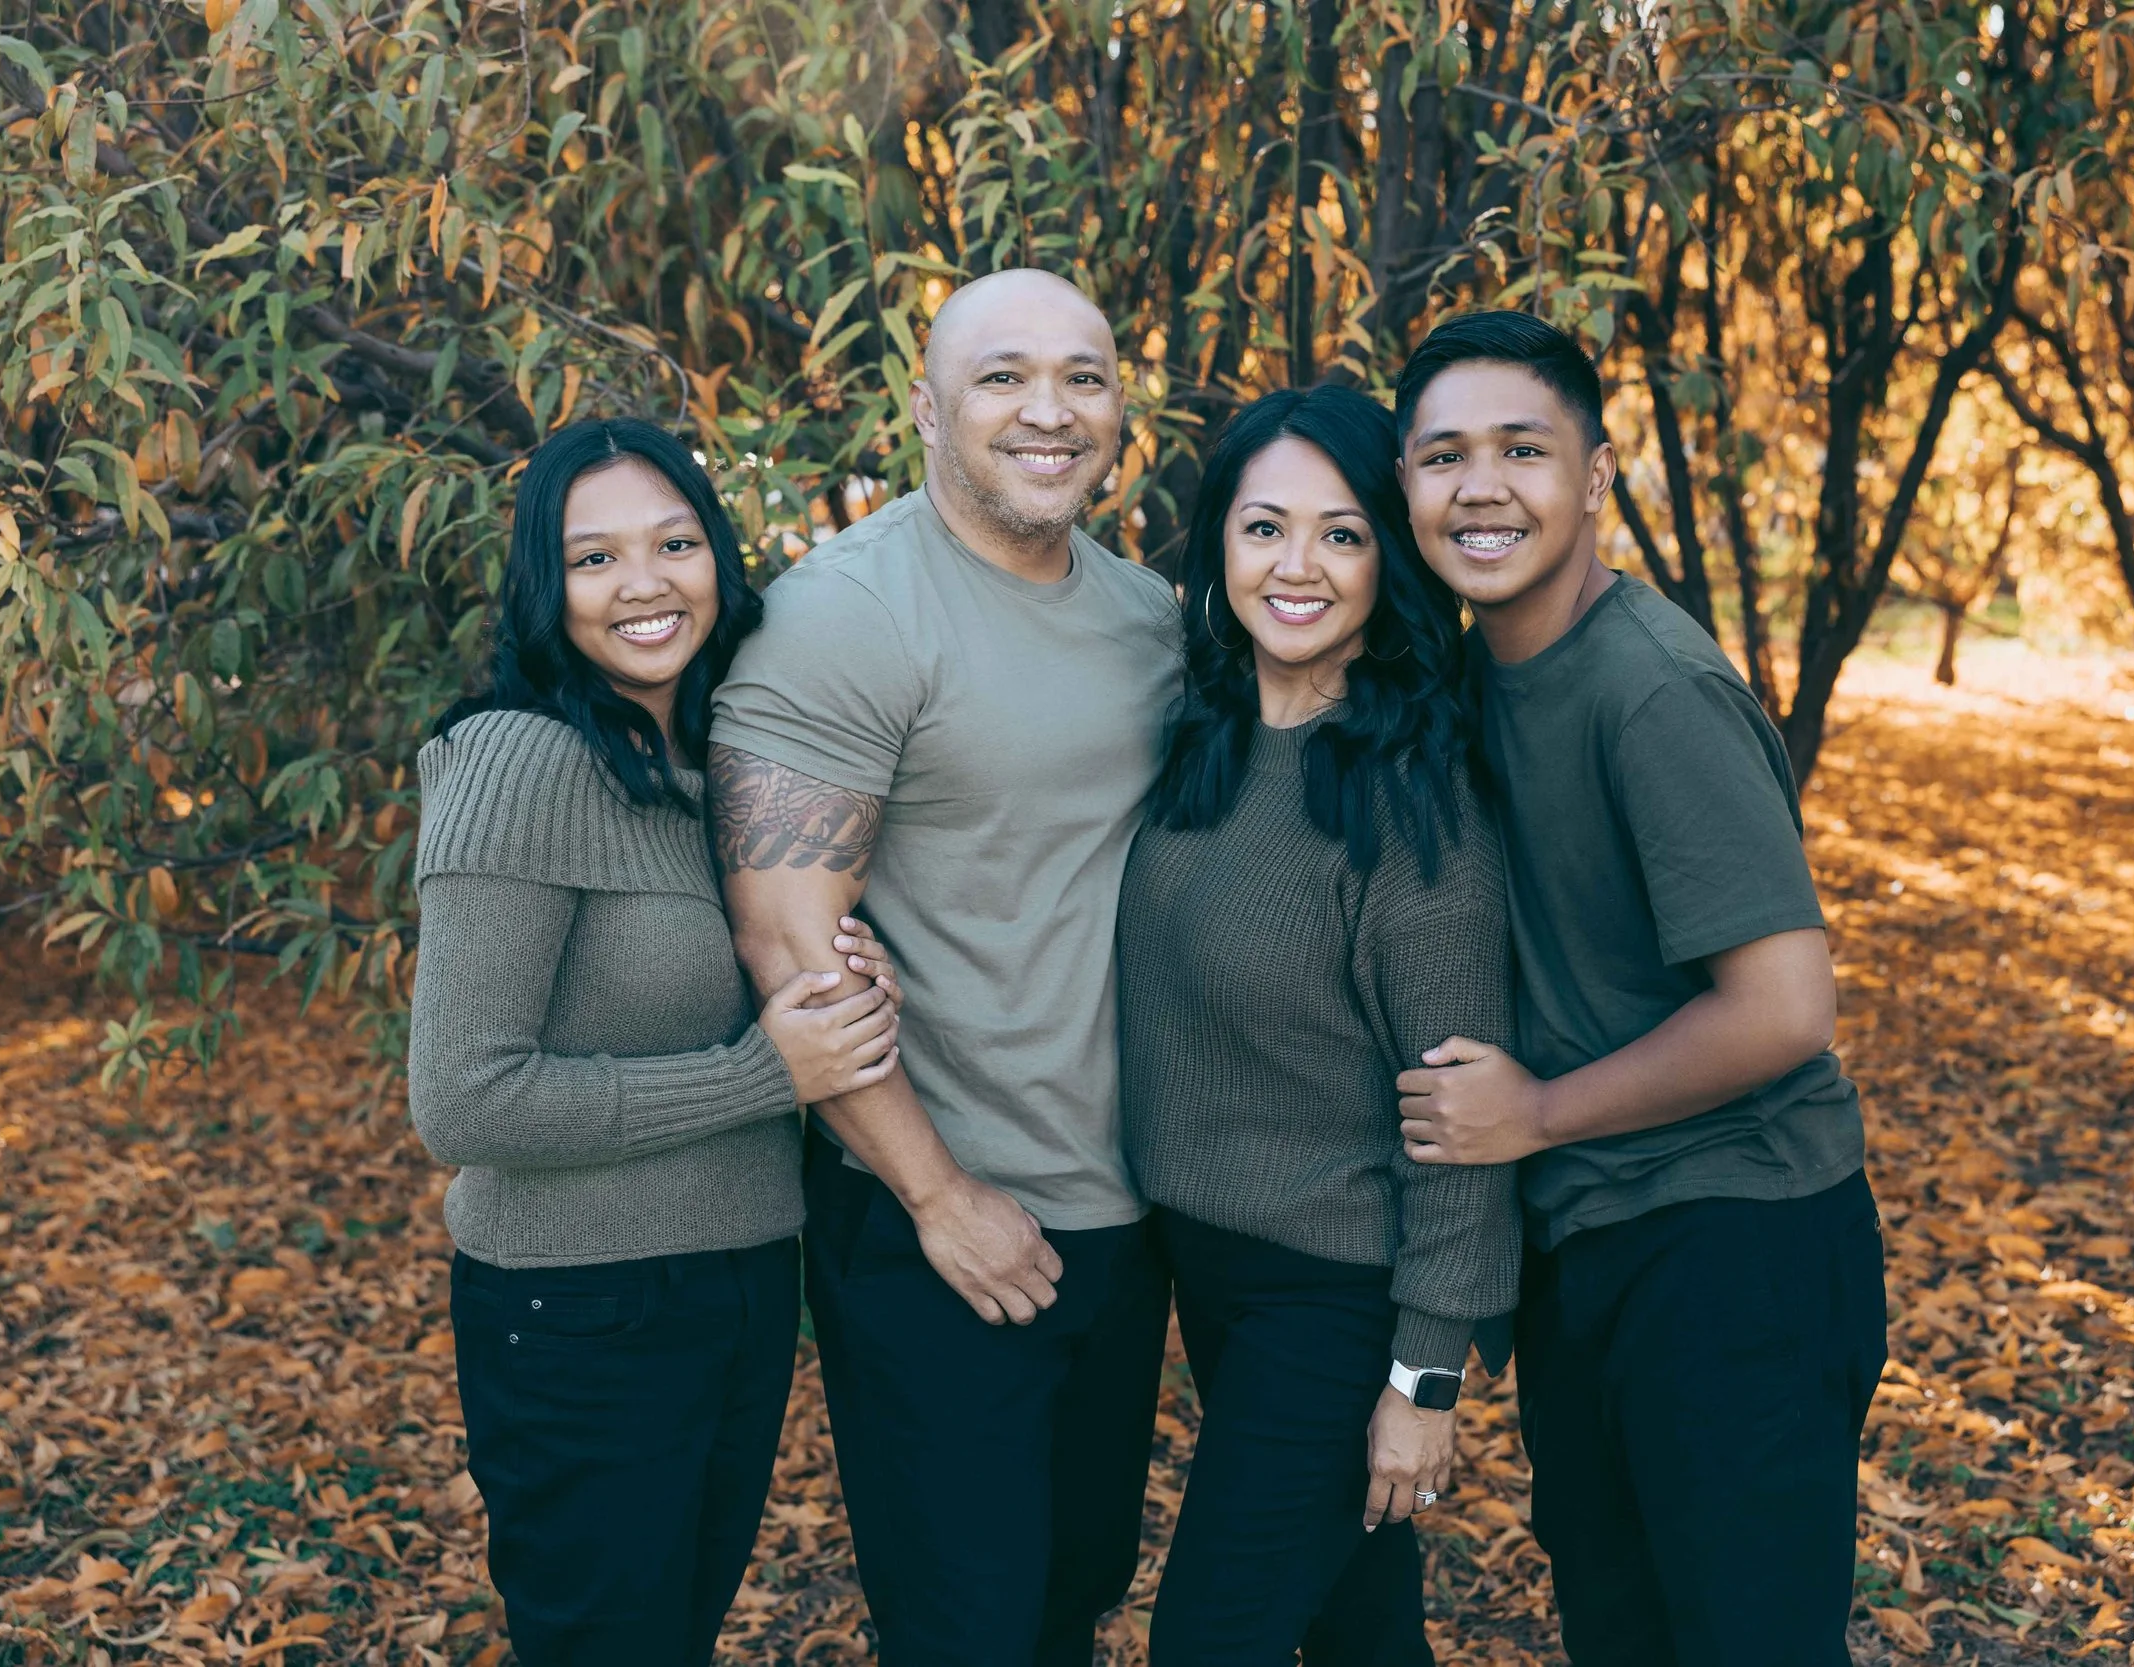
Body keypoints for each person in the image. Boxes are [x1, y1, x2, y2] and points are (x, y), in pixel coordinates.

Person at [1388, 313, 1889, 1666]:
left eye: (1522, 450)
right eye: (1442, 456)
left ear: (1598, 475)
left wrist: (1538, 1108)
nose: (1480, 486)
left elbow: (1786, 1004)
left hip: (1735, 1243)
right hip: (1599, 1240)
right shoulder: (1479, 674)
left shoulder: (1650, 688)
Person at [705, 270, 1183, 1667]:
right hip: (935, 1219)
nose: (1051, 409)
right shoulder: (847, 615)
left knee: (1075, 1583)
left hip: (1126, 1209)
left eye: (1085, 376)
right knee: (964, 1621)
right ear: (925, 406)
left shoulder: (1151, 615)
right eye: (1002, 376)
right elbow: (786, 939)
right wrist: (936, 1192)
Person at [407, 418, 909, 1667]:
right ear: (545, 584)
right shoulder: (516, 756)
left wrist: (844, 980)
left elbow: (741, 984)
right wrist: (759, 1074)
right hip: (579, 1308)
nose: (644, 584)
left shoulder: (722, 769)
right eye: (595, 558)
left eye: (675, 542)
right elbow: (462, 1100)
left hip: (739, 1284)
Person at [1117, 385, 1518, 1667]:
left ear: (1388, 558)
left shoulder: (1412, 804)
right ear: (1215, 546)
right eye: (1263, 528)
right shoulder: (1202, 735)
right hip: (1207, 1271)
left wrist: (1422, 1382)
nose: (1296, 567)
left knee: (1209, 1637)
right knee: (1358, 1632)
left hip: (1338, 1297)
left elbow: (1463, 1117)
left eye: (1342, 534)